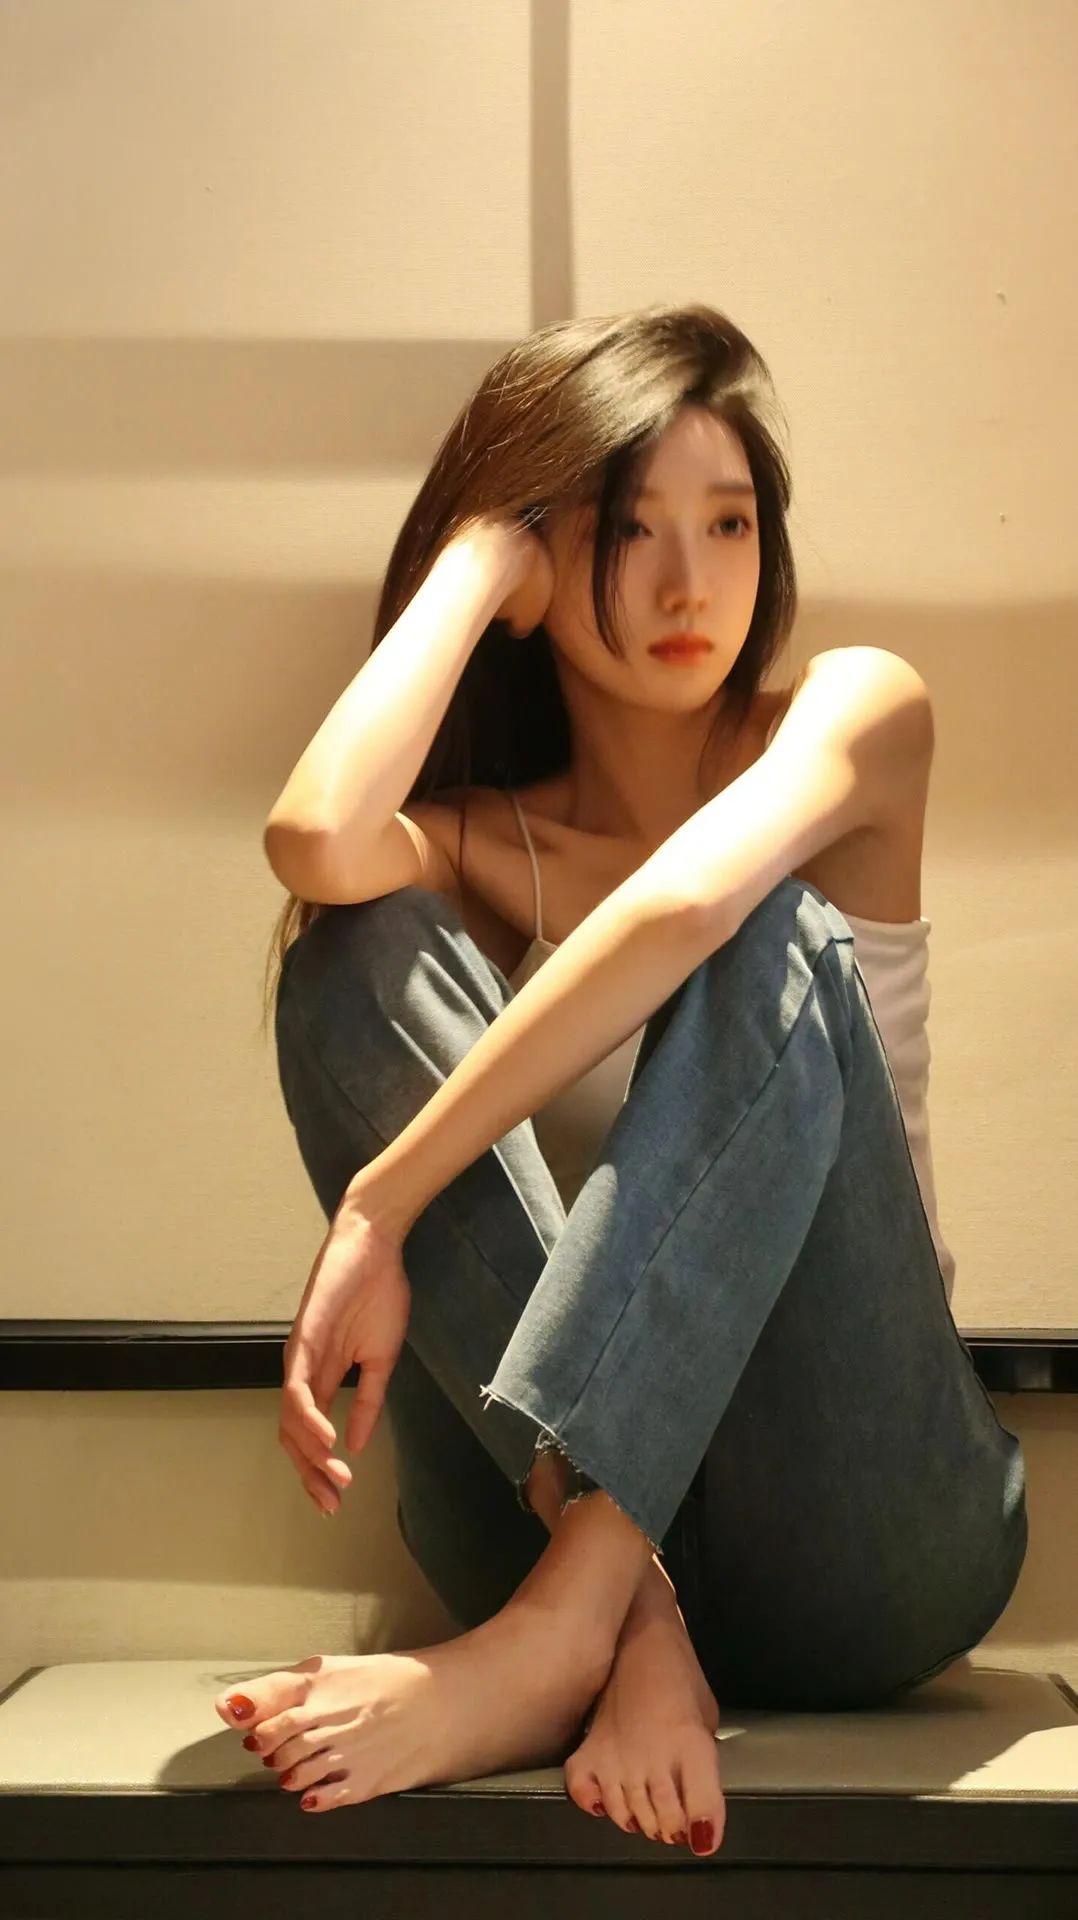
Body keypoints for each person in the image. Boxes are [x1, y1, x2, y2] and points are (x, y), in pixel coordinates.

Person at [220, 304, 1027, 1856]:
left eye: (728, 525)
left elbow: (683, 906)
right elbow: (316, 839)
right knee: (344, 953)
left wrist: (380, 1204)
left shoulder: (853, 715)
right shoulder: (482, 843)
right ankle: (619, 1618)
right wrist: (478, 556)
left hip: (866, 1527)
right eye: (624, 528)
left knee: (759, 923)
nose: (686, 583)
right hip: (531, 1523)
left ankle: (564, 1627)